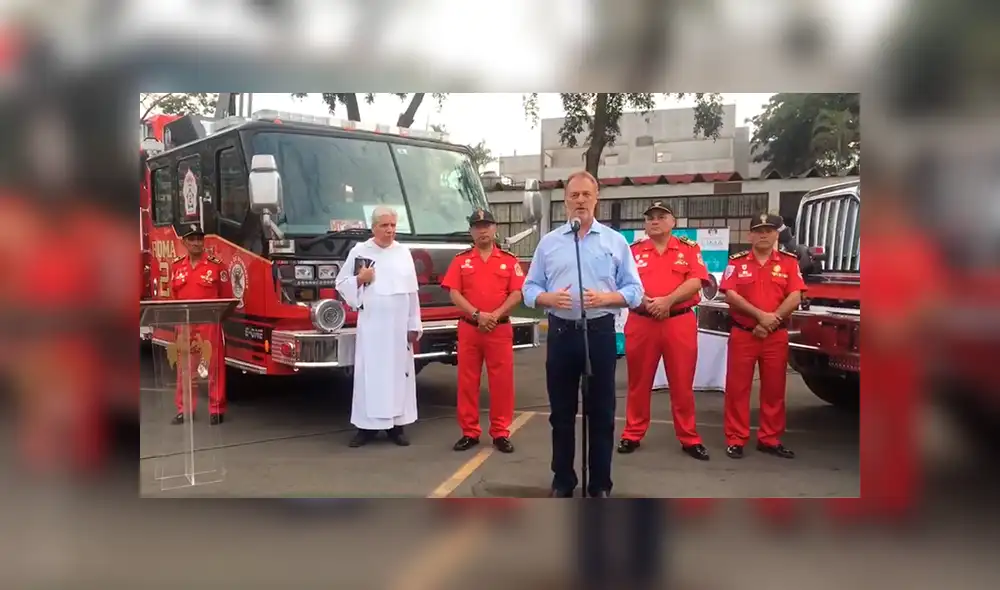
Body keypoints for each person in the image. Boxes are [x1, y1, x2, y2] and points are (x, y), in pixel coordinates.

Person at [522, 170, 643, 498]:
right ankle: (563, 480)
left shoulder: (615, 242)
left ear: (596, 198)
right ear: (565, 202)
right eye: (573, 195)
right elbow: (529, 289)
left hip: (599, 333)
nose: (580, 201)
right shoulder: (549, 243)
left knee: (601, 414)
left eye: (586, 195)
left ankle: (600, 484)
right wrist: (546, 298)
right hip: (561, 334)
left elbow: (635, 290)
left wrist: (607, 298)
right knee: (561, 414)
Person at [618, 201, 711, 460]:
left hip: (678, 322)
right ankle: (632, 433)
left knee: (682, 383)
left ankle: (689, 437)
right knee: (639, 382)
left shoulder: (688, 249)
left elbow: (696, 280)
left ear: (673, 222)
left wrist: (667, 301)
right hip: (642, 321)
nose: (655, 221)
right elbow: (623, 281)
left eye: (661, 217)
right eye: (650, 218)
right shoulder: (633, 251)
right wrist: (647, 301)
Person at [718, 213, 806, 459]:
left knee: (774, 390)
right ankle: (736, 438)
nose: (764, 235)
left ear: (777, 234)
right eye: (758, 231)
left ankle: (770, 438)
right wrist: (760, 317)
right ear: (750, 236)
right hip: (743, 334)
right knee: (737, 389)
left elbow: (795, 296)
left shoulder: (789, 262)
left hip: (775, 336)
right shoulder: (736, 262)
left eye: (769, 231)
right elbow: (730, 295)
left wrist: (771, 321)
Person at [335, 206, 422, 448]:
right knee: (371, 376)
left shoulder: (403, 253)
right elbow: (342, 283)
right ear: (374, 227)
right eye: (384, 225)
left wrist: (414, 323)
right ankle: (366, 428)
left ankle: (397, 427)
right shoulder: (360, 251)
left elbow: (412, 293)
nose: (390, 230)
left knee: (398, 375)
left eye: (393, 225)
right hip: (373, 326)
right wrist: (360, 280)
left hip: (398, 328)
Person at [440, 208, 525, 453]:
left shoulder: (509, 260)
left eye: (486, 225)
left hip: (499, 328)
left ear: (495, 228)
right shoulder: (461, 260)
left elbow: (517, 293)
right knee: (467, 381)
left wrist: (494, 315)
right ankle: (469, 431)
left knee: (502, 383)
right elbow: (454, 293)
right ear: (471, 231)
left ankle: (500, 432)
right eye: (477, 227)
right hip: (470, 328)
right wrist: (477, 315)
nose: (482, 230)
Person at [170, 224, 227, 425]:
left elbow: (226, 296)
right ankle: (185, 409)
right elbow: (173, 296)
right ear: (184, 242)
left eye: (199, 239)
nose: (196, 243)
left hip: (209, 322)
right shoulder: (177, 266)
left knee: (213, 366)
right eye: (192, 239)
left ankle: (216, 408)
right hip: (185, 324)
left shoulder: (216, 266)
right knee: (185, 368)